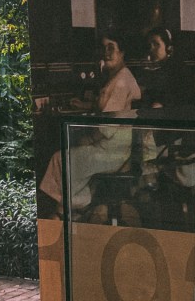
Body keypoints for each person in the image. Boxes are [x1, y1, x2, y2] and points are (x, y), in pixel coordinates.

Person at [39, 31, 142, 214]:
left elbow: (107, 127)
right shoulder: (119, 76)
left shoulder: (121, 82)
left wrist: (88, 139)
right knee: (67, 155)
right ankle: (74, 205)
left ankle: (70, 207)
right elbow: (109, 108)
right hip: (112, 147)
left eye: (111, 48)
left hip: (112, 152)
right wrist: (88, 105)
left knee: (59, 158)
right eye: (104, 48)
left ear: (122, 52)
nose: (106, 53)